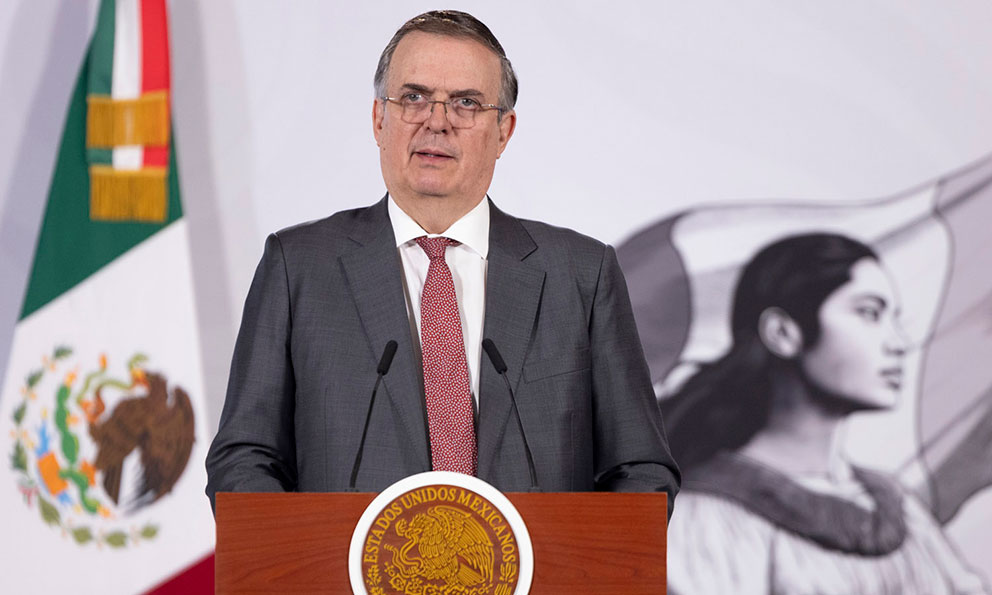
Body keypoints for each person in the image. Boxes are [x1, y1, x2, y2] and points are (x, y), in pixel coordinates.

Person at [205, 11, 680, 516]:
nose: (437, 121)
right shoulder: (298, 268)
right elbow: (245, 459)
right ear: (379, 120)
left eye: (466, 103)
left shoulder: (582, 275)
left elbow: (640, 470)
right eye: (413, 97)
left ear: (503, 132)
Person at [662, 233, 988, 594]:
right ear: (782, 333)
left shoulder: (901, 509)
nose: (898, 343)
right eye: (869, 313)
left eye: (894, 318)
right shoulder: (702, 518)